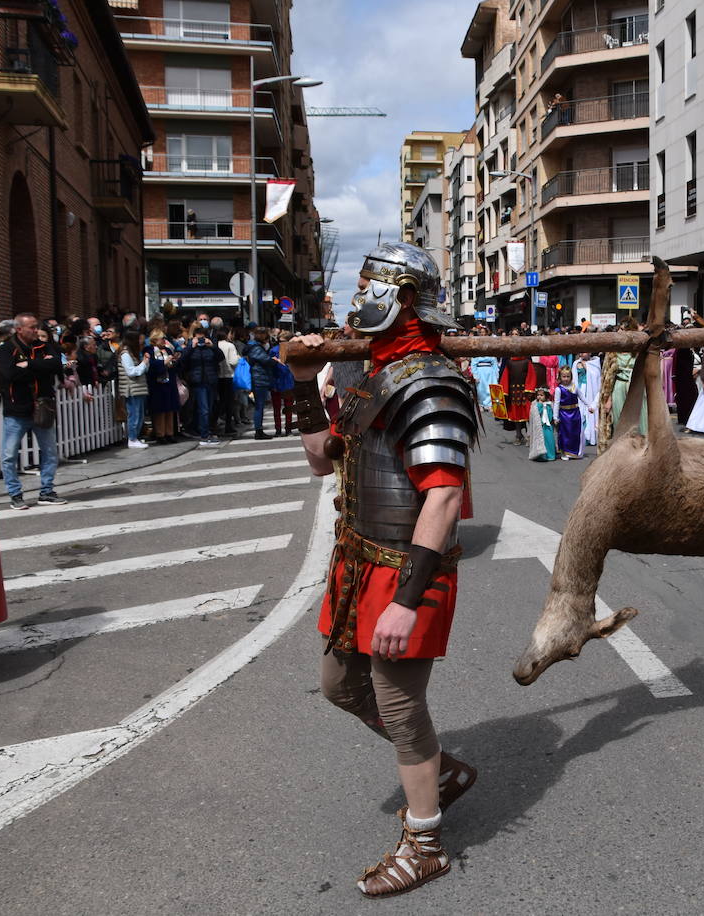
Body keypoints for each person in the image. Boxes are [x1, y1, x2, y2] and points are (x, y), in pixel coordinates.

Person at [286, 242, 478, 898]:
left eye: (371, 284)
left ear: (401, 299)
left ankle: (425, 843)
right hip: (355, 562)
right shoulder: (366, 374)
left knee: (399, 703)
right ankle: (443, 772)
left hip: (406, 570)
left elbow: (445, 495)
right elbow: (321, 460)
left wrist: (406, 598)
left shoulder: (429, 379)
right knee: (341, 686)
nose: (358, 294)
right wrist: (303, 383)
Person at [0, 313, 67, 510]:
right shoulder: (7, 349)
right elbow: (8, 374)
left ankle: (47, 491)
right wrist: (39, 369)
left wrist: (30, 364)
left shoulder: (43, 346)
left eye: (36, 327)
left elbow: (56, 364)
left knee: (50, 452)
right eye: (32, 327)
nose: (36, 331)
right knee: (9, 455)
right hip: (17, 409)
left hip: (42, 406)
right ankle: (15, 494)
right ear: (19, 329)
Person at [180, 324, 222, 445]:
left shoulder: (210, 347)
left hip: (210, 380)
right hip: (198, 382)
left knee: (209, 408)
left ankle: (207, 431)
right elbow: (182, 361)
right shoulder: (191, 348)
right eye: (198, 338)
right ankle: (204, 435)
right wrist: (191, 347)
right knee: (203, 409)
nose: (200, 341)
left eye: (202, 338)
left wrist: (212, 346)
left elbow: (220, 357)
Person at [145, 329, 180, 444]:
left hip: (169, 383)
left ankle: (170, 433)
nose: (164, 341)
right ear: (155, 340)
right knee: (159, 411)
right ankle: (160, 434)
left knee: (170, 410)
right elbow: (151, 367)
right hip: (157, 385)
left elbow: (173, 365)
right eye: (162, 338)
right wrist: (164, 363)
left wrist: (173, 361)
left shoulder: (168, 350)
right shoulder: (149, 351)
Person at [117, 330, 150, 448]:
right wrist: (143, 364)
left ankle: (135, 437)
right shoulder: (125, 354)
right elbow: (131, 372)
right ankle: (132, 438)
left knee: (140, 415)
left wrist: (146, 363)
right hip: (132, 389)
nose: (141, 342)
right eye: (139, 339)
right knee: (134, 415)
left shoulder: (133, 353)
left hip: (139, 388)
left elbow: (142, 370)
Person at [244, 327, 277, 439]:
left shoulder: (254, 346)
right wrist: (273, 360)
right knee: (259, 406)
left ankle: (259, 430)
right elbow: (265, 360)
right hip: (259, 379)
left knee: (260, 405)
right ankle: (258, 431)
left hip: (259, 378)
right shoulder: (256, 348)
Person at [555, 366, 585, 459]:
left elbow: (582, 397)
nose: (566, 379)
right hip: (564, 414)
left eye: (568, 376)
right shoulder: (559, 389)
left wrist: (590, 406)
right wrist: (555, 417)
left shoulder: (574, 387)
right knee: (565, 433)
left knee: (575, 433)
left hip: (575, 413)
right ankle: (565, 452)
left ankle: (574, 452)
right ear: (560, 377)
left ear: (571, 377)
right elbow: (556, 403)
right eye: (564, 376)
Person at [528, 385, 558, 460]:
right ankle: (541, 455)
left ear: (546, 396)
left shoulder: (550, 404)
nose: (539, 397)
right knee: (541, 440)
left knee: (549, 440)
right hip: (540, 426)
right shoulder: (535, 405)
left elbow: (551, 415)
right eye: (538, 395)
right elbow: (535, 415)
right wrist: (540, 405)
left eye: (541, 395)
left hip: (548, 426)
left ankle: (550, 455)